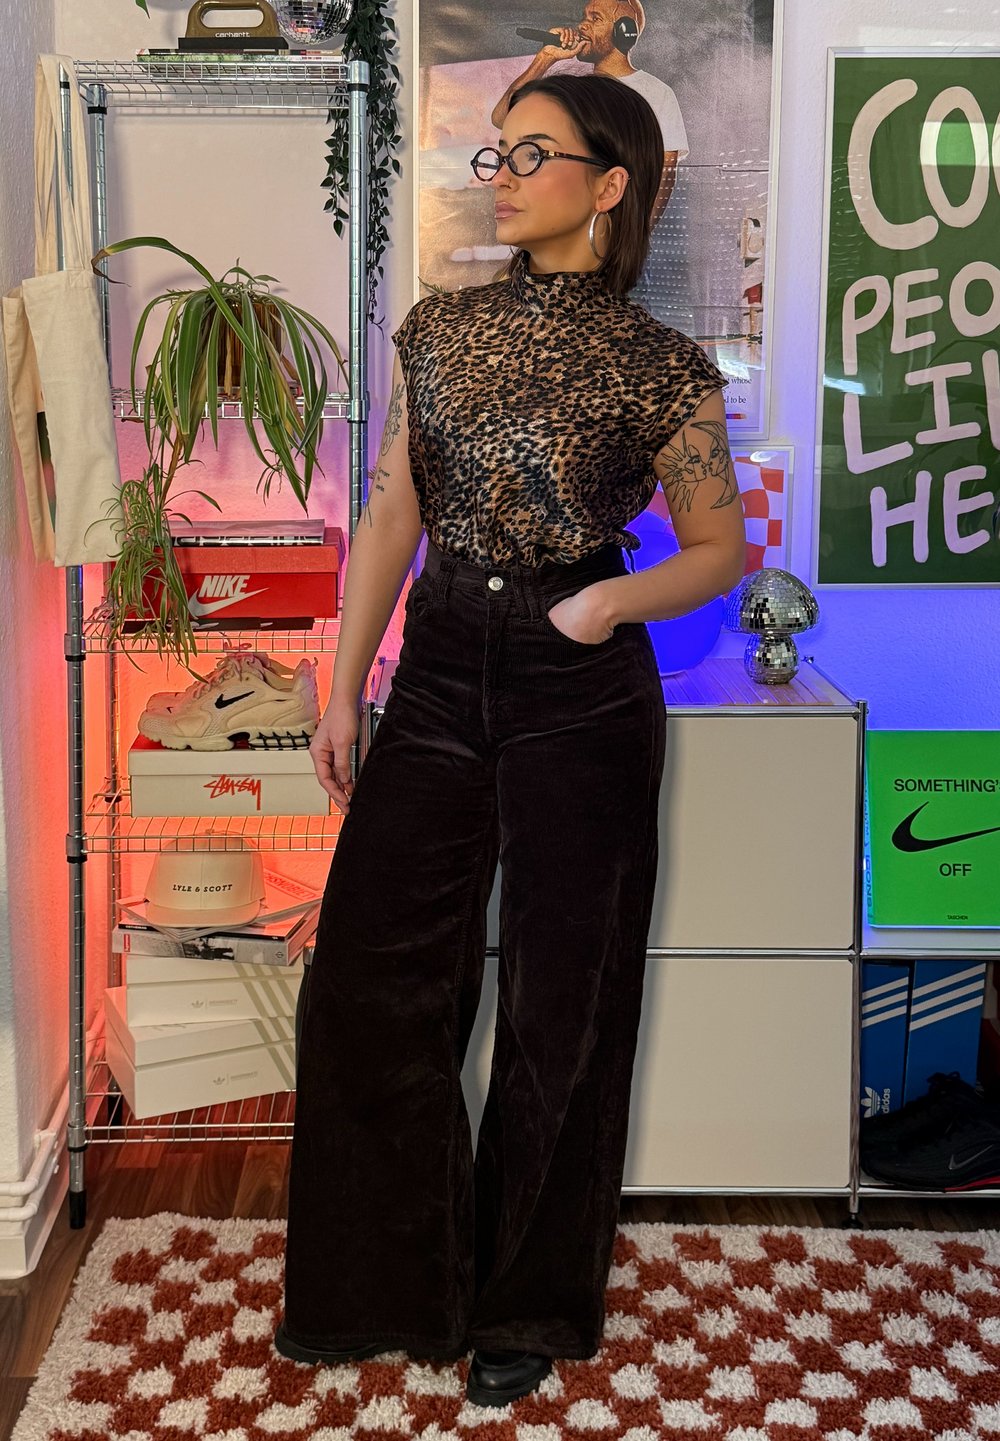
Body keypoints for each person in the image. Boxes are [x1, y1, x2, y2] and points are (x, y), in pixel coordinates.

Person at [277, 74, 746, 1409]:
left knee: (564, 1004)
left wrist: (606, 603)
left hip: (579, 682)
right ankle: (381, 1286)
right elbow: (390, 515)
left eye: (533, 153)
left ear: (610, 183)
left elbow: (718, 550)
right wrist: (342, 686)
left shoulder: (664, 366)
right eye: (498, 151)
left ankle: (526, 1303)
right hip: (436, 669)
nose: (502, 175)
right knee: (371, 981)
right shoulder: (436, 330)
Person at [490, 0, 687, 227]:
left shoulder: (658, 93)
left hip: (619, 227)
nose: (582, 25)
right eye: (584, 17)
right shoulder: (571, 90)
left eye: (595, 19)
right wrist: (546, 58)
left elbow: (665, 173)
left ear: (624, 31)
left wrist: (639, 232)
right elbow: (502, 118)